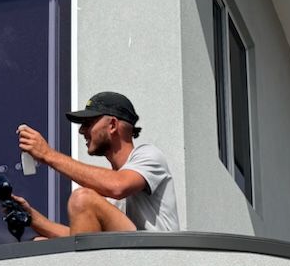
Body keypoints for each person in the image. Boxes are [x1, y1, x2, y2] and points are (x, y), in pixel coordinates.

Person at [13, 91, 180, 236]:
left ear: (113, 125)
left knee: (83, 199)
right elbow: (76, 238)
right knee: (42, 242)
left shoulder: (149, 155)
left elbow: (117, 186)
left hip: (157, 264)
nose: (81, 131)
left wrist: (47, 154)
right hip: (129, 262)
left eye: (88, 123)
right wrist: (30, 218)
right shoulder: (107, 191)